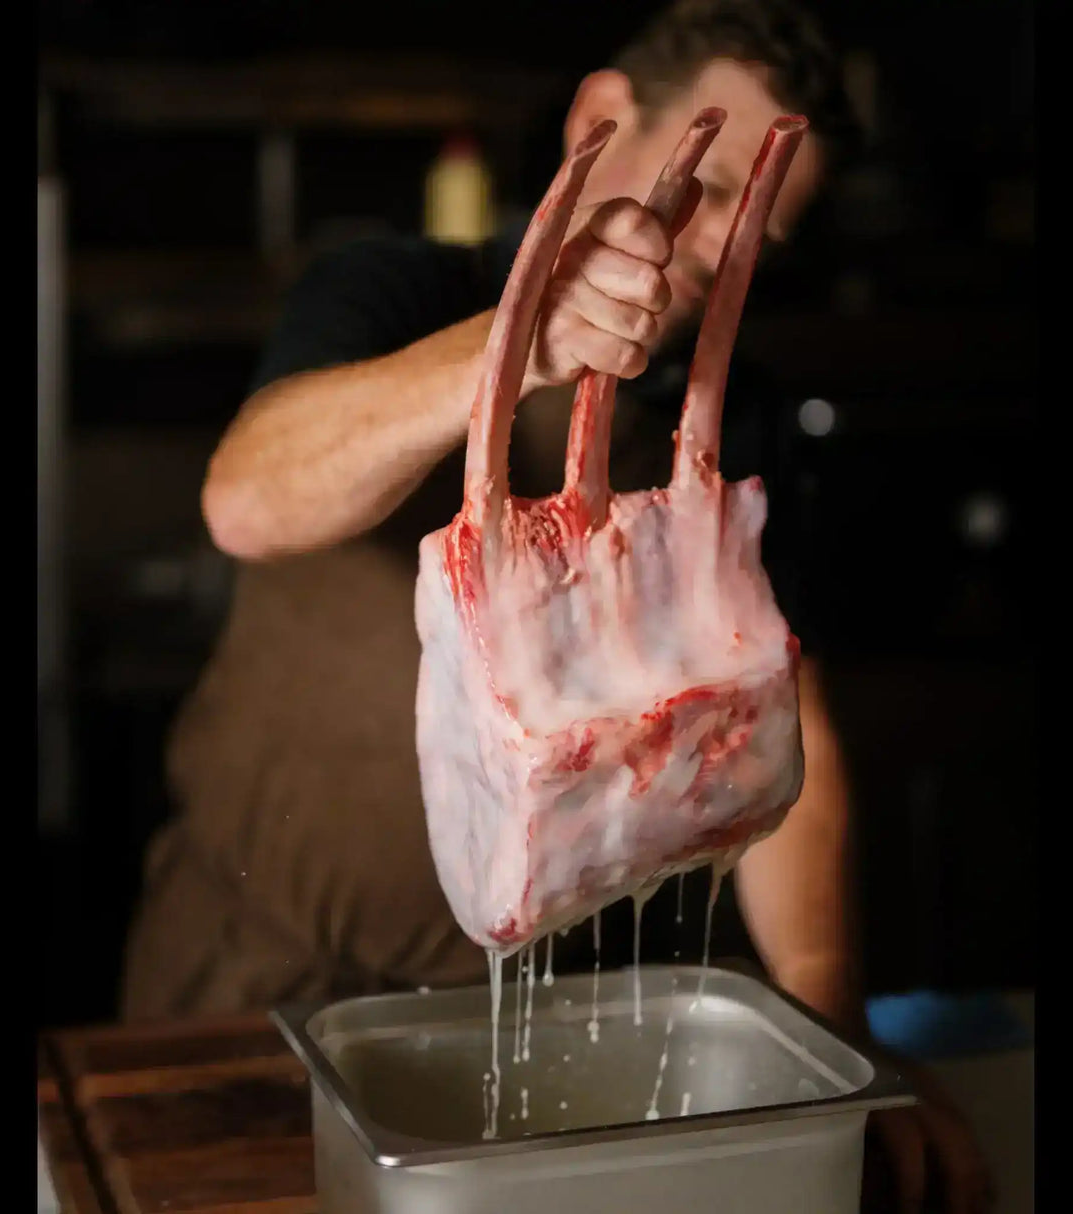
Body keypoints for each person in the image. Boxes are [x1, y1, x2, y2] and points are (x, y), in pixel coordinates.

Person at [120, 1, 993, 1208]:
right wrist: (514, 344)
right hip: (241, 989)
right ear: (599, 120)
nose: (715, 252)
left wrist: (840, 1052)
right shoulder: (391, 287)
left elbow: (785, 731)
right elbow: (249, 498)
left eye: (760, 232)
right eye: (716, 188)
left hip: (545, 1014)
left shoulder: (728, 412)